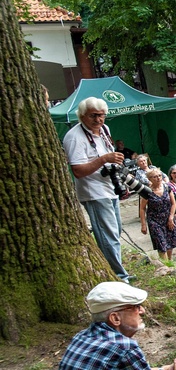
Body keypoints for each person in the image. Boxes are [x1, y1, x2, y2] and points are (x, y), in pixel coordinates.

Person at [62, 97, 131, 282]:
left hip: (110, 188)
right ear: (82, 115)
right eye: (93, 115)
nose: (99, 120)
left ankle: (118, 270)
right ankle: (119, 276)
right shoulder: (74, 137)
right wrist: (103, 160)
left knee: (115, 232)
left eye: (102, 115)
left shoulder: (104, 130)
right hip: (94, 192)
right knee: (108, 236)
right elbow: (77, 171)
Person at [139, 168, 176, 261]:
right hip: (154, 220)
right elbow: (142, 208)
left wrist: (171, 217)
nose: (158, 178)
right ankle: (166, 265)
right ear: (149, 179)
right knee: (161, 243)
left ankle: (169, 262)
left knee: (170, 243)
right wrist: (143, 224)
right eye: (155, 177)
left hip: (168, 218)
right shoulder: (147, 191)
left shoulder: (167, 187)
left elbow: (173, 204)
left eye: (159, 176)